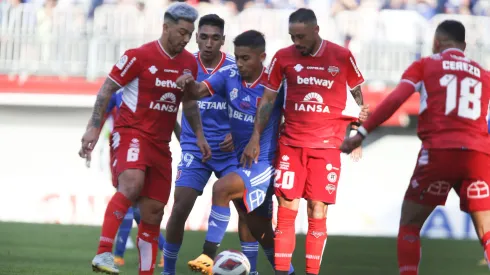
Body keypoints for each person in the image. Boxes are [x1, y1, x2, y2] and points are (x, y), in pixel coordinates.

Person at [340, 20, 490, 275]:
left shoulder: (426, 65)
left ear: (435, 43)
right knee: (486, 232)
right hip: (478, 155)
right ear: (464, 46)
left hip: (439, 152)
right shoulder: (484, 74)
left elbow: (396, 98)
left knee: (409, 224)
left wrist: (361, 134)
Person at [78, 3, 210, 275]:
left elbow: (189, 104)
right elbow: (106, 91)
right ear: (166, 27)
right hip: (131, 133)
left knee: (153, 213)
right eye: (182, 32)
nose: (186, 39)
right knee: (132, 183)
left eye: (189, 34)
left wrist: (196, 137)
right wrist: (93, 127)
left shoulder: (189, 63)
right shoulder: (138, 56)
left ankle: (146, 272)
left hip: (160, 145)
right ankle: (104, 253)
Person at [241, 8, 368, 275]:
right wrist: (255, 136)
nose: (296, 42)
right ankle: (282, 271)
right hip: (291, 145)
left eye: (301, 36)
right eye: (292, 36)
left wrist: (360, 130)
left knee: (317, 210)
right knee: (286, 209)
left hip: (327, 147)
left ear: (316, 30)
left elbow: (358, 94)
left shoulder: (342, 56)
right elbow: (267, 99)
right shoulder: (283, 57)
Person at [177, 30, 295, 275]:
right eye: (237, 57)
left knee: (221, 189)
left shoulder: (275, 83)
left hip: (265, 164)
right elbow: (199, 91)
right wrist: (188, 82)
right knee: (256, 227)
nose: (239, 63)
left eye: (246, 58)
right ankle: (282, 272)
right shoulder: (229, 75)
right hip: (244, 163)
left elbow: (297, 111)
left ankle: (208, 256)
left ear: (261, 57)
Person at [162, 14, 262, 275]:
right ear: (196, 38)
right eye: (203, 37)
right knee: (180, 207)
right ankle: (167, 270)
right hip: (196, 149)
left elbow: (252, 106)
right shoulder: (185, 66)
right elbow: (173, 109)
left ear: (223, 41)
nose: (208, 43)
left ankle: (251, 271)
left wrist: (238, 134)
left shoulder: (234, 67)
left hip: (230, 151)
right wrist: (186, 140)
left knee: (245, 209)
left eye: (215, 38)